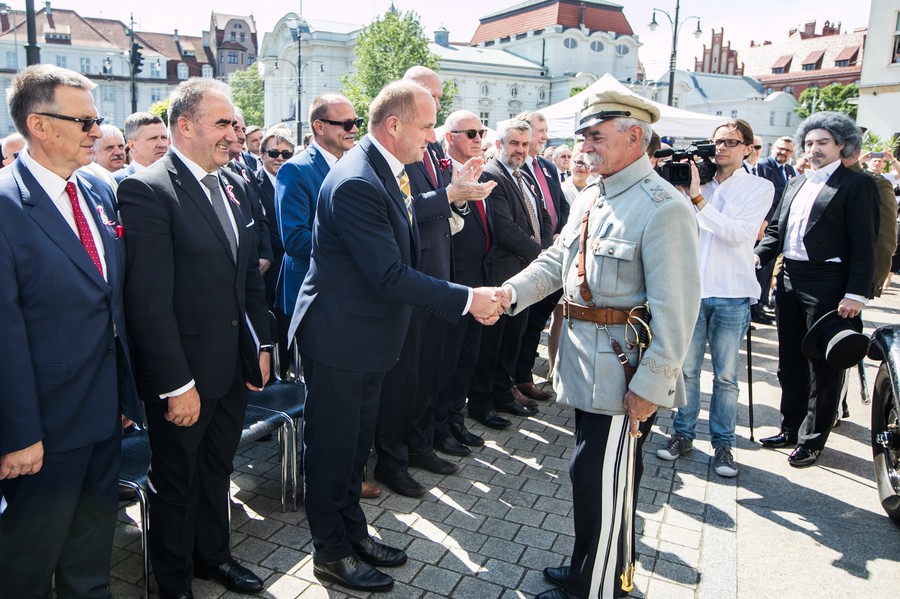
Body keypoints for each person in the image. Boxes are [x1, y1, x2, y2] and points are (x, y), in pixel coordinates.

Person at [286, 80, 506, 593]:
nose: (432, 137)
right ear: (394, 125)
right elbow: (388, 274)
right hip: (341, 340)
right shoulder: (358, 180)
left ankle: (353, 533)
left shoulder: (384, 168)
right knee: (334, 451)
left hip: (364, 337)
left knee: (354, 448)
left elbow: (403, 236)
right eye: (427, 126)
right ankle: (330, 554)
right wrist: (467, 297)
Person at [497, 89, 700, 599]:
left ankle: (598, 588)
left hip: (624, 373)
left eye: (596, 136)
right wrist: (508, 294)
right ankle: (595, 568)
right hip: (588, 367)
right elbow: (557, 262)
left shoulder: (664, 208)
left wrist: (652, 386)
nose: (585, 146)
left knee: (601, 481)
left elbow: (678, 311)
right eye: (583, 136)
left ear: (635, 137)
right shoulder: (593, 194)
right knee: (597, 478)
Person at [118, 77, 271, 599]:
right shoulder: (147, 189)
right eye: (223, 123)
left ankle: (214, 557)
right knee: (177, 480)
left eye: (235, 123)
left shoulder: (233, 184)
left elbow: (248, 278)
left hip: (231, 367)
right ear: (184, 125)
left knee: (217, 469)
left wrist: (261, 346)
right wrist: (175, 384)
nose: (235, 133)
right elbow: (148, 302)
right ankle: (173, 580)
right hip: (183, 376)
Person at [0, 63, 140, 598]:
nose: (97, 132)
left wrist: (123, 393)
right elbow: (6, 334)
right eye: (85, 122)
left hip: (103, 413)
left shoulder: (97, 192)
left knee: (89, 553)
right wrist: (19, 435)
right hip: (44, 428)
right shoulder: (7, 207)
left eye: (96, 120)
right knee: (29, 562)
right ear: (39, 125)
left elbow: (109, 304)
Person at [373, 66, 495, 497]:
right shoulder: (394, 154)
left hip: (438, 273)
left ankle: (421, 443)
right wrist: (449, 195)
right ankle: (392, 459)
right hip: (412, 278)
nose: (436, 106)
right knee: (403, 378)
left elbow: (436, 206)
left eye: (439, 97)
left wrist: (457, 193)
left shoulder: (427, 150)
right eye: (429, 95)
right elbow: (405, 207)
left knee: (430, 371)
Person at [756, 112, 880, 468]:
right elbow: (776, 231)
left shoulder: (857, 185)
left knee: (823, 367)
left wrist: (856, 294)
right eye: (809, 143)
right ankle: (790, 428)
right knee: (789, 362)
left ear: (841, 145)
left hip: (828, 282)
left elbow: (865, 244)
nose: (814, 149)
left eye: (823, 142)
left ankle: (812, 440)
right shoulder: (796, 182)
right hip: (790, 279)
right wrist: (756, 256)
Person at [656, 119, 773, 478]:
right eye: (717, 141)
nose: (721, 148)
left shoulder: (759, 187)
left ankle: (723, 444)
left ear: (748, 149)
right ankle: (683, 434)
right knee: (687, 371)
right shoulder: (696, 181)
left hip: (732, 292)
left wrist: (697, 198)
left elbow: (738, 234)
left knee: (725, 377)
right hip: (691, 290)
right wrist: (679, 186)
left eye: (731, 142)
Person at [467, 119, 553, 430]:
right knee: (492, 344)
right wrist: (540, 255)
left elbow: (543, 217)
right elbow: (503, 227)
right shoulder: (492, 174)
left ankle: (503, 394)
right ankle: (482, 403)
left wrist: (544, 249)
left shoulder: (524, 174)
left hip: (524, 272)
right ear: (499, 144)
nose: (520, 150)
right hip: (502, 273)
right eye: (514, 143)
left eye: (525, 144)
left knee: (512, 340)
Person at [433, 110, 496, 456]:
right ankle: (439, 427)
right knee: (446, 362)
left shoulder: (482, 171)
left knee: (467, 358)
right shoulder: (440, 174)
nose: (478, 139)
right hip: (452, 284)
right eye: (470, 133)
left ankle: (455, 420)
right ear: (450, 137)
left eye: (480, 132)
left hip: (480, 282)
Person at [514, 111, 570, 406]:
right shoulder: (514, 166)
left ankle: (524, 376)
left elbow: (558, 208)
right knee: (519, 325)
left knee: (535, 324)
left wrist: (560, 236)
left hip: (551, 255)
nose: (546, 136)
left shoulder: (547, 167)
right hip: (525, 259)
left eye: (547, 130)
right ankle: (512, 380)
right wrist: (539, 249)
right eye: (541, 130)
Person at [753, 136, 797, 323]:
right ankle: (754, 307)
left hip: (779, 227)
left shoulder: (789, 170)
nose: (783, 153)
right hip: (766, 225)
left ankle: (762, 303)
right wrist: (764, 221)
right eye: (780, 148)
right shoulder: (764, 167)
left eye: (788, 150)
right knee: (760, 268)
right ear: (773, 148)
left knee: (769, 269)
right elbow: (765, 197)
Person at [113, 111, 168, 182]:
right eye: (153, 138)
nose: (162, 144)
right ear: (132, 145)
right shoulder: (116, 182)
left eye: (164, 138)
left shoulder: (178, 178)